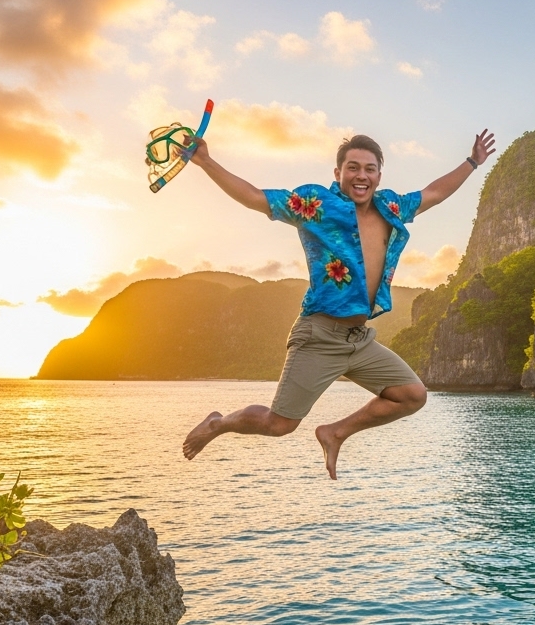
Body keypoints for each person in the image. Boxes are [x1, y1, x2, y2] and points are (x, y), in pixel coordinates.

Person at [180, 129, 497, 478]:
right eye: (353, 167)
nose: (362, 175)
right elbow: (255, 197)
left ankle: (336, 432)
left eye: (370, 169)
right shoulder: (316, 206)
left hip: (359, 338)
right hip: (319, 334)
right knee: (279, 424)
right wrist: (206, 162)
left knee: (412, 395)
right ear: (338, 173)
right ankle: (218, 423)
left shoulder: (391, 207)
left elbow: (435, 193)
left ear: (379, 175)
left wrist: (472, 162)